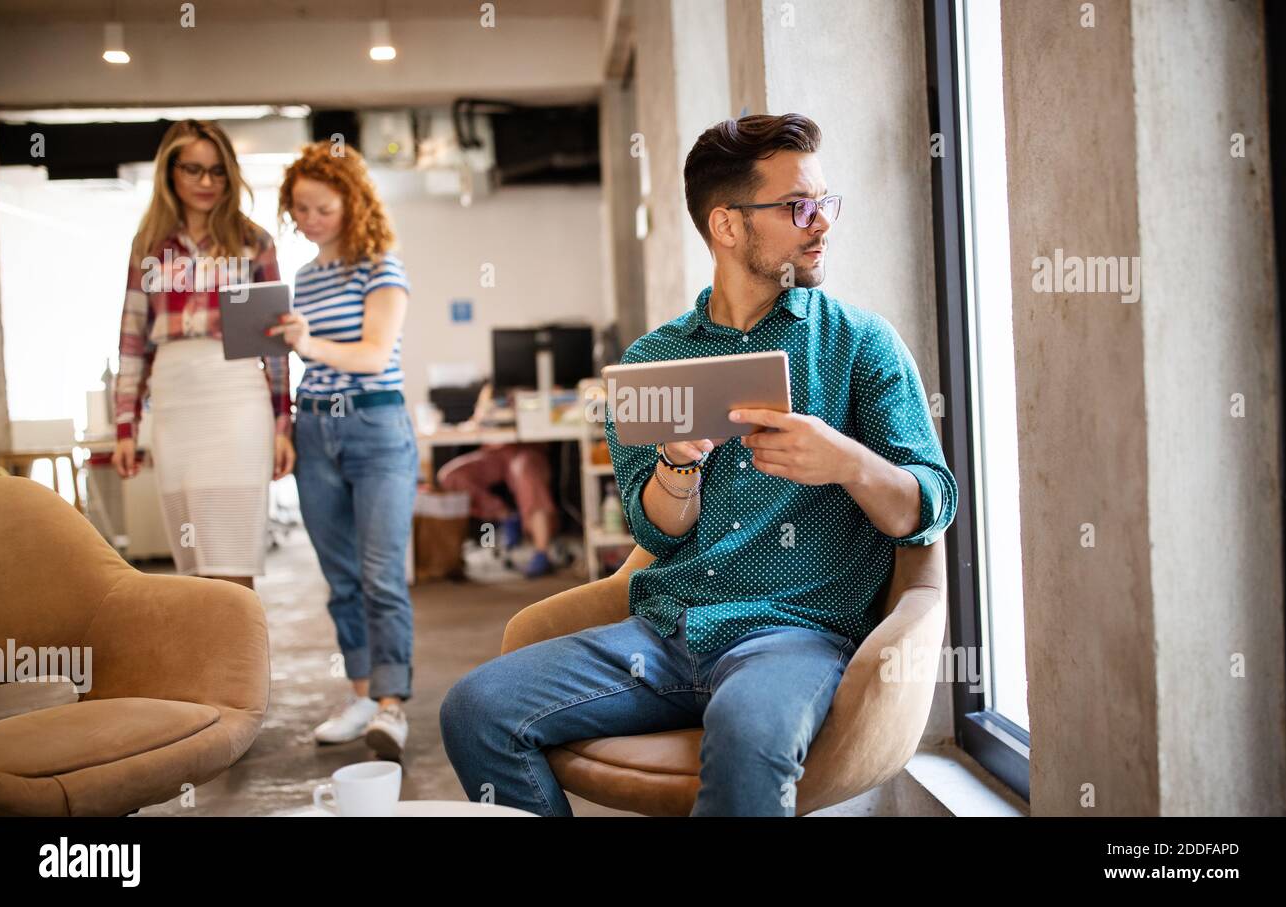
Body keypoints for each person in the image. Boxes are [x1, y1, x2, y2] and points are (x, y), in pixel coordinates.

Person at [440, 113, 958, 815]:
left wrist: (846, 463)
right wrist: (675, 471)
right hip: (665, 632)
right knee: (475, 707)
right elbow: (657, 536)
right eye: (799, 207)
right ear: (727, 225)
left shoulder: (860, 343)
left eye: (825, 203)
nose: (822, 223)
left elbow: (928, 506)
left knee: (748, 729)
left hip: (794, 633)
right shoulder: (655, 363)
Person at [271, 141, 418, 760]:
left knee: (382, 574)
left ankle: (391, 707)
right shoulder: (302, 279)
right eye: (299, 209)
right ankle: (361, 693)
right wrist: (283, 427)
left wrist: (309, 344)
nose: (309, 221)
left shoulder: (380, 267)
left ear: (351, 203)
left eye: (322, 208)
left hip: (376, 428)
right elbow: (289, 359)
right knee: (340, 578)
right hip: (314, 428)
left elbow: (374, 355)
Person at [112, 119, 293, 588]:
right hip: (175, 402)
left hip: (236, 396)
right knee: (195, 569)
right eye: (193, 170)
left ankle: (244, 663)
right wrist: (125, 425)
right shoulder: (148, 245)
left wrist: (281, 425)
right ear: (169, 172)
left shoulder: (255, 243)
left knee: (234, 560)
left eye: (217, 172)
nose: (207, 183)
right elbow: (133, 340)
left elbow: (274, 347)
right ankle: (208, 661)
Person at [436, 382, 559, 577]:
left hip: (526, 449)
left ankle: (541, 552)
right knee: (451, 476)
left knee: (527, 474)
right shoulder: (490, 391)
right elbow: (475, 422)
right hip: (494, 452)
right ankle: (505, 516)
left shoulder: (543, 385)